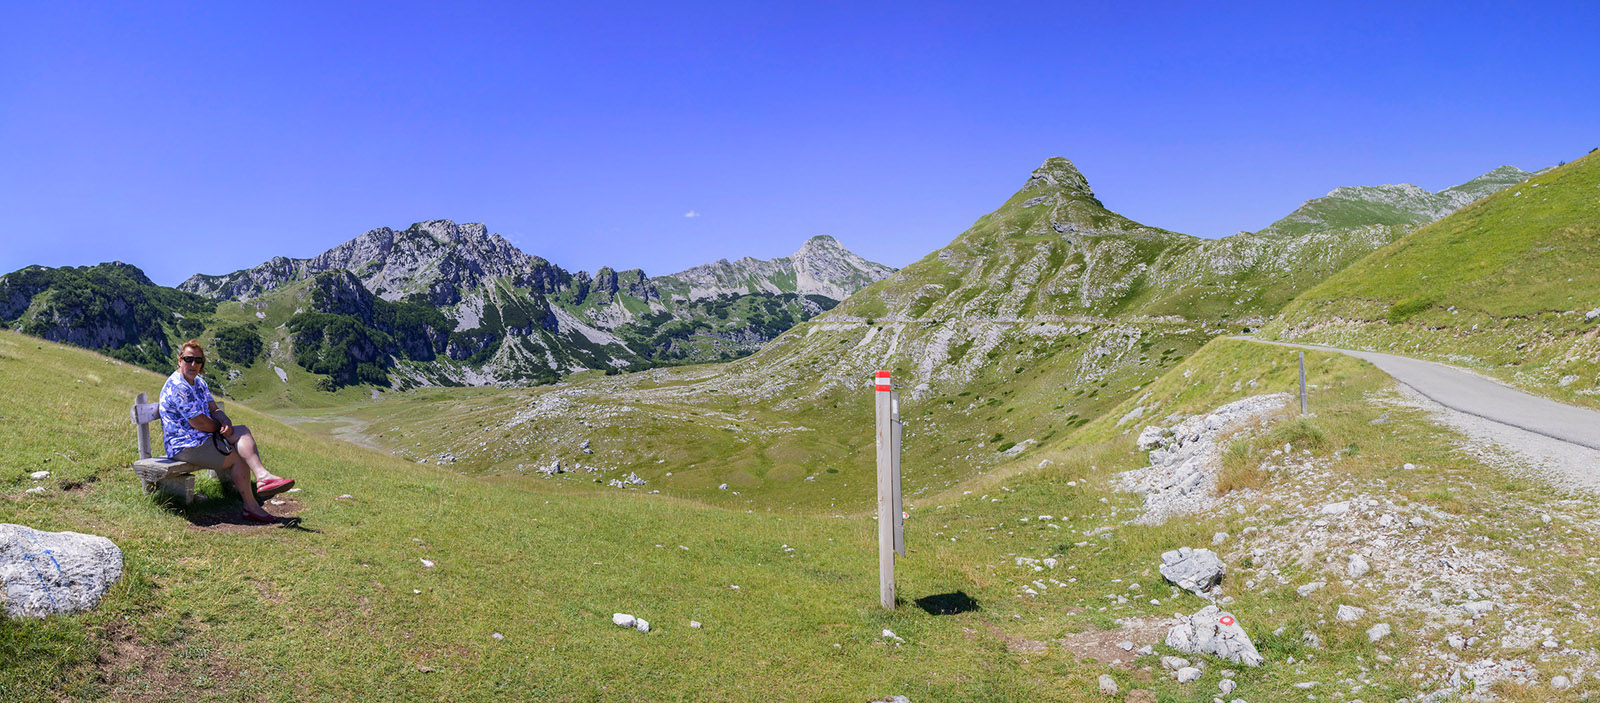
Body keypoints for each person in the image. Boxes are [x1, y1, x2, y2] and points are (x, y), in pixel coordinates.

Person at [159, 340, 294, 523]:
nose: (193, 364)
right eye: (188, 359)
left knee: (243, 430)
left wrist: (224, 420)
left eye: (198, 361)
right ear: (179, 360)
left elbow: (213, 408)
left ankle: (263, 477)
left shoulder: (198, 382)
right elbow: (199, 422)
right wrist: (220, 429)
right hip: (185, 445)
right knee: (238, 457)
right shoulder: (177, 386)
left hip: (203, 439)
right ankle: (251, 507)